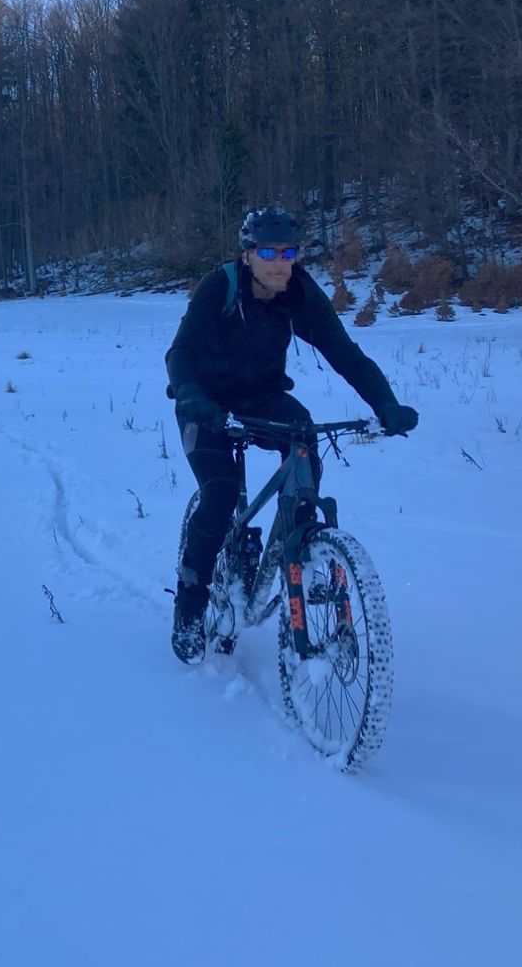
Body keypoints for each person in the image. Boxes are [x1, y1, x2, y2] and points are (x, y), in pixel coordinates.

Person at [164, 206, 419, 665]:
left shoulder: (298, 291)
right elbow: (180, 351)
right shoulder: (219, 287)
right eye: (268, 253)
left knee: (303, 438)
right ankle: (192, 598)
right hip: (206, 403)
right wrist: (189, 393)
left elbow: (345, 353)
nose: (280, 263)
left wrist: (385, 404)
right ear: (248, 255)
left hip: (263, 399)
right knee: (220, 494)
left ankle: (301, 547)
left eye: (289, 253)